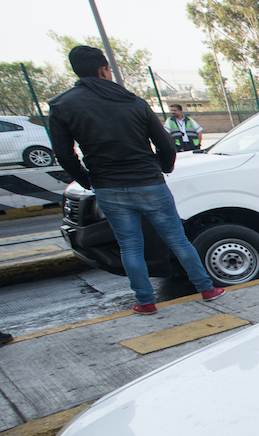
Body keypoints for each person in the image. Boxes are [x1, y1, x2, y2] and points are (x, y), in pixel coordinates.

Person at [48, 46, 223, 315]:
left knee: (130, 245)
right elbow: (164, 144)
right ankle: (207, 288)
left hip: (108, 186)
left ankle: (145, 301)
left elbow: (64, 154)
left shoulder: (61, 105)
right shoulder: (132, 101)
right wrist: (163, 167)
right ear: (103, 69)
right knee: (177, 239)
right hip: (148, 181)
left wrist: (87, 180)